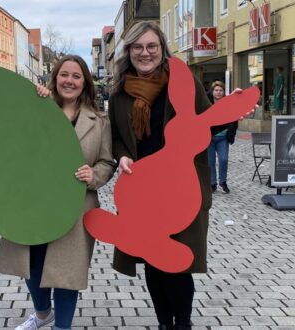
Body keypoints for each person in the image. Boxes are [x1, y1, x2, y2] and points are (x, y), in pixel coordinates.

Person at [108, 21, 230, 329]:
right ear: (129, 51)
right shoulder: (120, 93)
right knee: (153, 259)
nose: (144, 53)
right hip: (142, 191)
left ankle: (183, 323)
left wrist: (224, 106)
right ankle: (164, 322)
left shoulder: (181, 79)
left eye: (151, 46)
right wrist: (122, 156)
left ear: (162, 50)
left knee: (179, 263)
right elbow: (118, 137)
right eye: (137, 47)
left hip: (181, 189)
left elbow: (208, 124)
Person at [0, 55, 115, 330]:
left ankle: (63, 325)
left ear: (84, 83)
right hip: (34, 201)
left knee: (66, 270)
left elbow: (107, 161)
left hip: (76, 203)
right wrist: (33, 102)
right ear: (55, 78)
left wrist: (93, 175)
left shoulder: (99, 120)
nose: (69, 81)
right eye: (64, 75)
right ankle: (42, 312)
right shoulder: (38, 108)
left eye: (76, 76)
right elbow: (12, 140)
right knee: (32, 261)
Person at [207, 81, 238, 194]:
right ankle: (212, 183)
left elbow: (234, 120)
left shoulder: (228, 104)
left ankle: (223, 182)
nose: (218, 92)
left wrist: (232, 135)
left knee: (223, 159)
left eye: (221, 90)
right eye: (216, 90)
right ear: (212, 91)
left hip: (223, 138)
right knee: (210, 161)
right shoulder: (206, 103)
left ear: (224, 92)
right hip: (209, 138)